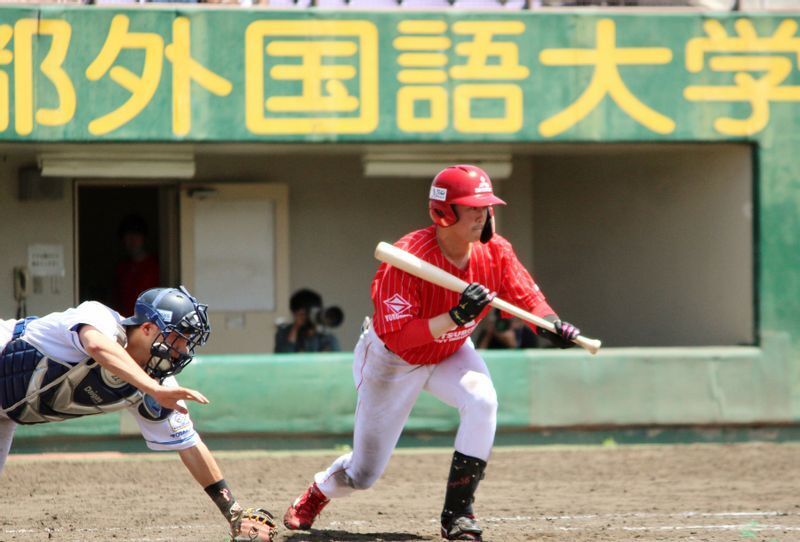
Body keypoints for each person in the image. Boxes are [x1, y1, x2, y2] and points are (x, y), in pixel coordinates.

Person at [282, 165, 582, 541]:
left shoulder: (496, 252)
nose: (483, 213)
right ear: (444, 213)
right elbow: (404, 338)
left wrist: (551, 326)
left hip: (451, 348)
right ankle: (317, 493)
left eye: (486, 206)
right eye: (472, 206)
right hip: (392, 360)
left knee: (482, 400)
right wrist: (456, 315)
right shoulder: (406, 260)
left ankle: (458, 514)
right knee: (363, 474)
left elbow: (529, 301)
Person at [0, 286, 276, 542]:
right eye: (178, 338)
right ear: (146, 328)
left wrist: (234, 512)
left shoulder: (158, 384)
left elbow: (190, 445)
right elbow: (96, 346)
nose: (182, 351)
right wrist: (153, 388)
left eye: (187, 343)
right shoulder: (100, 317)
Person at [113, 214, 161, 315]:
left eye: (136, 235)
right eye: (128, 235)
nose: (132, 239)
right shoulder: (121, 269)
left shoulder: (156, 266)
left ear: (144, 238)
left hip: (149, 323)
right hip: (125, 322)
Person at [274, 288, 341, 353]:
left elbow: (336, 361)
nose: (309, 317)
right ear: (294, 313)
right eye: (303, 314)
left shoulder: (326, 337)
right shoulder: (283, 333)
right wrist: (295, 329)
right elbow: (282, 360)